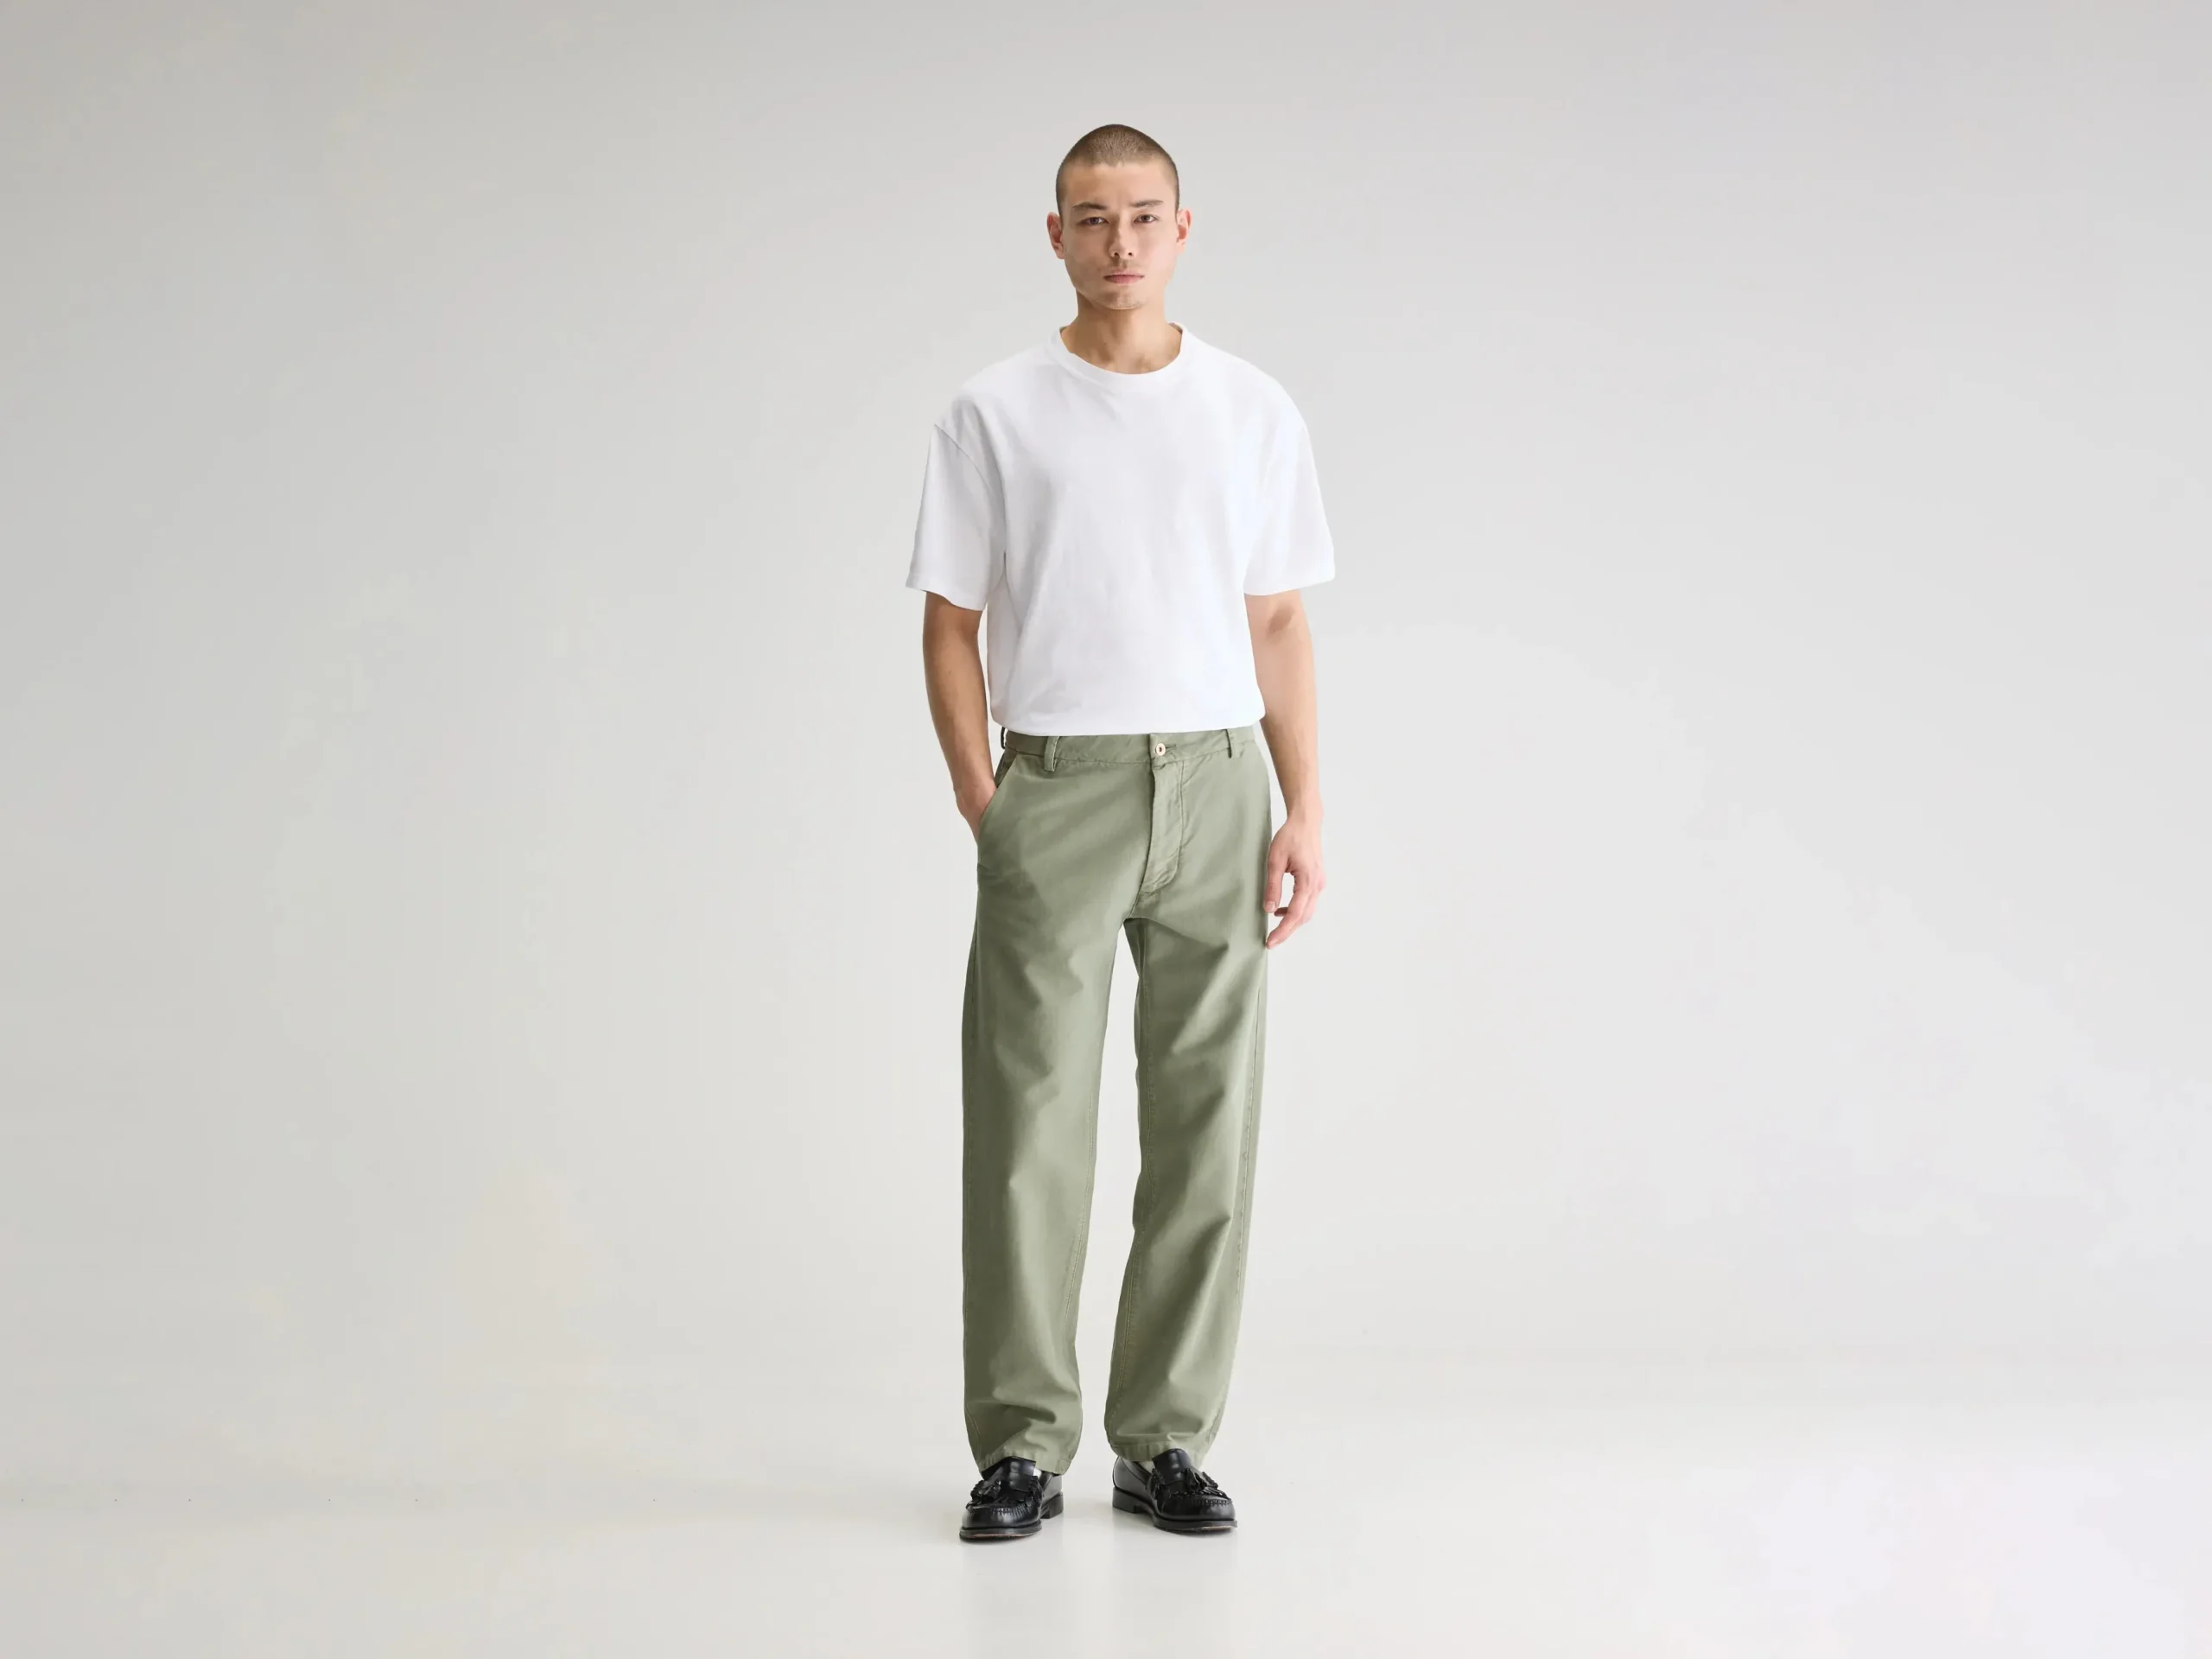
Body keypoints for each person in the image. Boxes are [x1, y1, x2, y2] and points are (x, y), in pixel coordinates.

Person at [906, 124, 1333, 1543]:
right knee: (1027, 1127)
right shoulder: (995, 412)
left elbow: (1279, 619)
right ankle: (1021, 1445)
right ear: (1056, 235)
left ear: (1184, 228)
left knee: (1208, 1124)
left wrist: (1303, 805)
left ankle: (1166, 1439)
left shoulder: (1251, 409)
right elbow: (950, 621)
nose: (1121, 243)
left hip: (1218, 781)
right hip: (1060, 784)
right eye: (1092, 219)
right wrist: (986, 799)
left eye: (1145, 215)